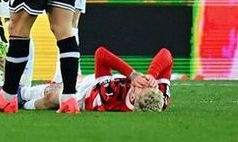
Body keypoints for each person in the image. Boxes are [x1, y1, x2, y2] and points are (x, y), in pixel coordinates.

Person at [20, 46, 173, 112]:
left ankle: (23, 99)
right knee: (74, 78)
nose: (145, 80)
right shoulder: (160, 98)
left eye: (143, 85)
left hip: (86, 97)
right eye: (150, 84)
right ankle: (22, 92)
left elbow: (101, 54)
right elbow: (166, 54)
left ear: (132, 97)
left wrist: (132, 75)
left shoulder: (112, 96)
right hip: (98, 83)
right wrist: (152, 74)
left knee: (52, 95)